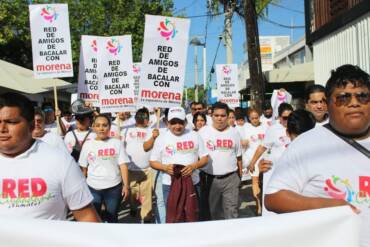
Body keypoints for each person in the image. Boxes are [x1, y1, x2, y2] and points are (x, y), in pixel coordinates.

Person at [264, 64, 369, 246]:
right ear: (328, 104)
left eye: (362, 96)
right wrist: (329, 207)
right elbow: (274, 197)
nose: (354, 102)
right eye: (343, 97)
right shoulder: (306, 144)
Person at [0, 92, 99, 221]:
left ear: (31, 126)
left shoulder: (60, 162)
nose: (2, 128)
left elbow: (87, 217)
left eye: (11, 122)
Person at [150, 107, 208, 223]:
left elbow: (205, 158)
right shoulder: (161, 139)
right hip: (169, 185)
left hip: (193, 183)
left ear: (185, 122)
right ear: (167, 123)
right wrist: (164, 168)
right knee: (173, 217)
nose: (177, 126)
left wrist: (194, 166)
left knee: (192, 215)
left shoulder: (194, 135)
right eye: (173, 122)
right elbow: (152, 162)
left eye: (180, 122)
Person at [258, 109, 315, 216]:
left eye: (306, 138)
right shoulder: (277, 158)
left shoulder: (324, 155)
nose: (302, 144)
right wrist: (260, 169)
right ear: (288, 133)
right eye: (298, 139)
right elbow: (270, 201)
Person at [79, 114, 130, 223]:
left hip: (114, 188)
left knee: (112, 217)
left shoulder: (117, 143)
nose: (101, 128)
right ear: (93, 127)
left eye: (104, 125)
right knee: (94, 218)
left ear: (110, 127)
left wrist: (126, 186)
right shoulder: (87, 145)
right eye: (98, 125)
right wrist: (82, 187)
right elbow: (83, 168)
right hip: (93, 188)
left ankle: (111, 238)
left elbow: (123, 165)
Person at [198, 102, 242, 220]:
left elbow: (238, 157)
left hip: (231, 179)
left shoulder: (235, 133)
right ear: (211, 116)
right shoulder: (202, 132)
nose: (219, 118)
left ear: (227, 116)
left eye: (223, 116)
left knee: (231, 213)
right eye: (216, 115)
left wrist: (239, 177)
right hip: (210, 180)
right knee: (213, 214)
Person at [123, 107, 158, 223]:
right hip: (130, 169)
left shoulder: (152, 131)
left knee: (146, 195)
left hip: (147, 170)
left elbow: (147, 147)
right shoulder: (126, 131)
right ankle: (133, 207)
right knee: (133, 193)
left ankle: (146, 217)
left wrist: (153, 137)